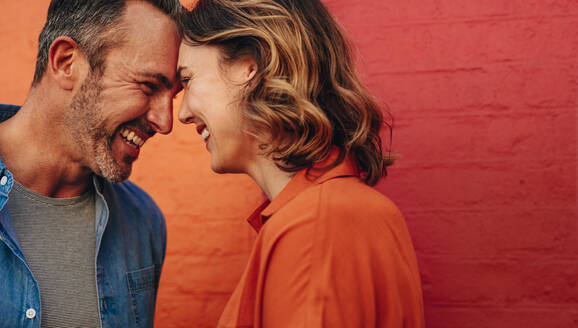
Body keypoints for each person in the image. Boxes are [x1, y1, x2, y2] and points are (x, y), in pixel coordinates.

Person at [177, 0, 425, 327]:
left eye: (188, 80)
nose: (182, 113)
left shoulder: (315, 225)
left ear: (248, 68)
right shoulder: (328, 214)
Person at [0, 0, 183, 326]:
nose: (165, 121)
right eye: (148, 86)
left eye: (174, 94)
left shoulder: (143, 223)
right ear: (66, 63)